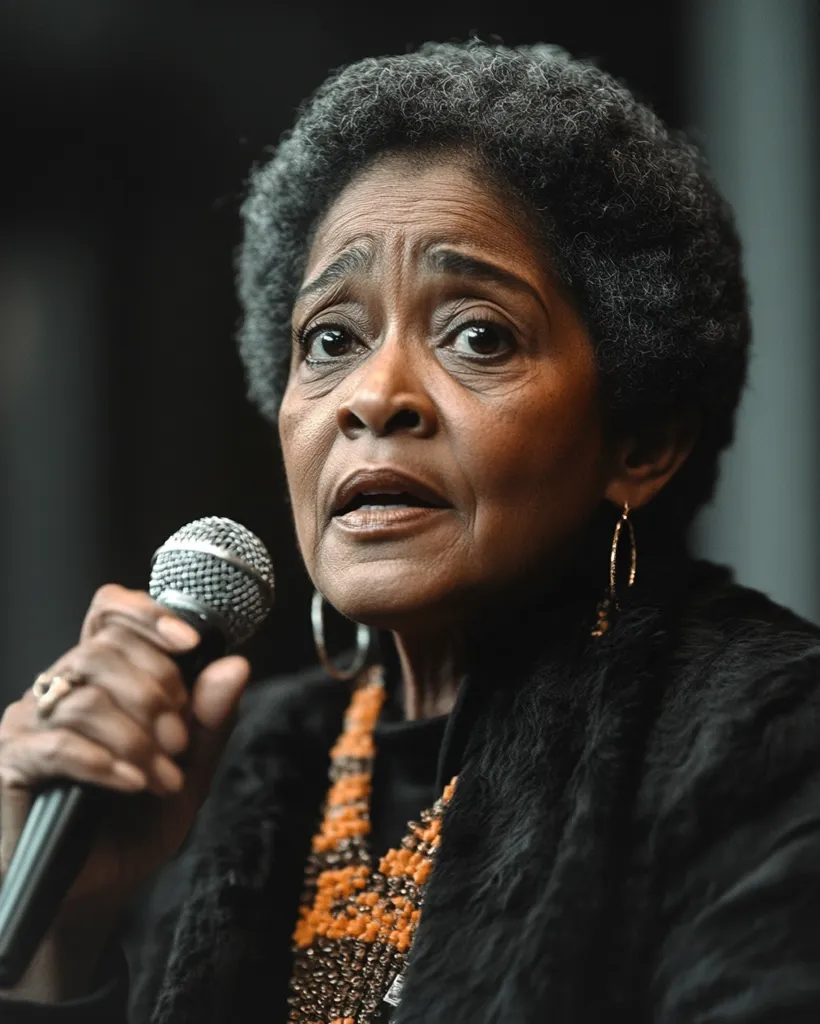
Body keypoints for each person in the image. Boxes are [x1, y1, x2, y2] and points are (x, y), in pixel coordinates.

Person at [1, 39, 819, 1024]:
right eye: (330, 339)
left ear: (640, 441)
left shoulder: (771, 743)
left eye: (478, 334)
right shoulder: (222, 771)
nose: (374, 394)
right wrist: (63, 938)